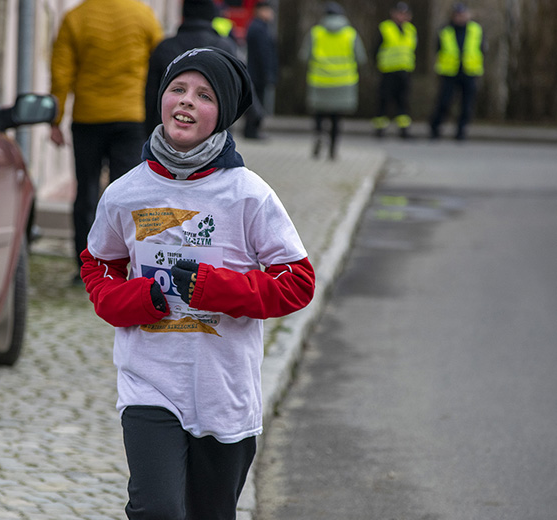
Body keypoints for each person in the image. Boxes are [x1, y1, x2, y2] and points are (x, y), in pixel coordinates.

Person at [80, 47, 315, 519]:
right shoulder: (125, 192)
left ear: (222, 113)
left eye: (204, 95)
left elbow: (297, 282)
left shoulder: (248, 194)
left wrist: (217, 290)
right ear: (161, 99)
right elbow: (99, 267)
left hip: (223, 391)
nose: (186, 101)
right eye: (177, 89)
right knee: (158, 510)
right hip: (150, 383)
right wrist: (137, 299)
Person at [49, 0, 163, 283]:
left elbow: (61, 73)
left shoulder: (75, 18)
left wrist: (55, 118)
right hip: (131, 117)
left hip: (88, 118)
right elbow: (162, 66)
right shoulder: (143, 15)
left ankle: (85, 267)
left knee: (86, 192)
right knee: (128, 195)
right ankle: (131, 265)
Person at [145, 0, 238, 134]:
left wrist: (149, 133)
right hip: (213, 135)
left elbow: (150, 95)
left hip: (169, 134)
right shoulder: (225, 47)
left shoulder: (164, 47)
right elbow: (236, 91)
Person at [299, 2, 366, 160]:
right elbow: (361, 58)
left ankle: (318, 136)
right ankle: (333, 149)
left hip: (319, 81)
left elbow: (303, 56)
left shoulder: (315, 33)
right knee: (336, 117)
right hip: (343, 82)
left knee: (319, 114)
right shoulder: (350, 34)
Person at [429, 2, 485, 141]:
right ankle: (435, 127)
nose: (460, 17)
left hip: (469, 72)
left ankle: (461, 131)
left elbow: (482, 49)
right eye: (458, 15)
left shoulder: (476, 30)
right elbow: (438, 50)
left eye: (463, 14)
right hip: (449, 72)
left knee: (466, 105)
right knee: (444, 102)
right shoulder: (445, 31)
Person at [371, 2, 417, 139]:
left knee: (403, 101)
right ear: (393, 13)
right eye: (399, 13)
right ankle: (380, 128)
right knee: (384, 100)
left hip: (405, 71)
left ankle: (403, 129)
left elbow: (413, 50)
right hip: (388, 71)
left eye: (404, 13)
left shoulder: (411, 30)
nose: (402, 16)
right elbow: (375, 49)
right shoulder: (385, 28)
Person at [243, 1, 278, 140]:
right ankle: (252, 131)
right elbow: (263, 54)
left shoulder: (259, 27)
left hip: (256, 72)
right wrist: (268, 73)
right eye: (269, 11)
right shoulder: (259, 29)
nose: (272, 14)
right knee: (257, 102)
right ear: (261, 11)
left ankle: (251, 130)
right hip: (257, 73)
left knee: (255, 101)